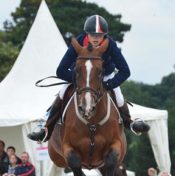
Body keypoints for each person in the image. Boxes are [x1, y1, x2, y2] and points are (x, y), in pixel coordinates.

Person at [27, 14, 150, 142]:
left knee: (118, 97)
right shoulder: (79, 42)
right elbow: (61, 70)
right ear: (87, 34)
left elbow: (125, 71)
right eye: (93, 35)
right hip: (81, 76)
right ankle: (46, 129)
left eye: (99, 35)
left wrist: (108, 85)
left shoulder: (111, 45)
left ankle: (130, 123)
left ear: (105, 35)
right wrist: (79, 80)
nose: (96, 38)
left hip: (105, 76)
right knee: (62, 93)